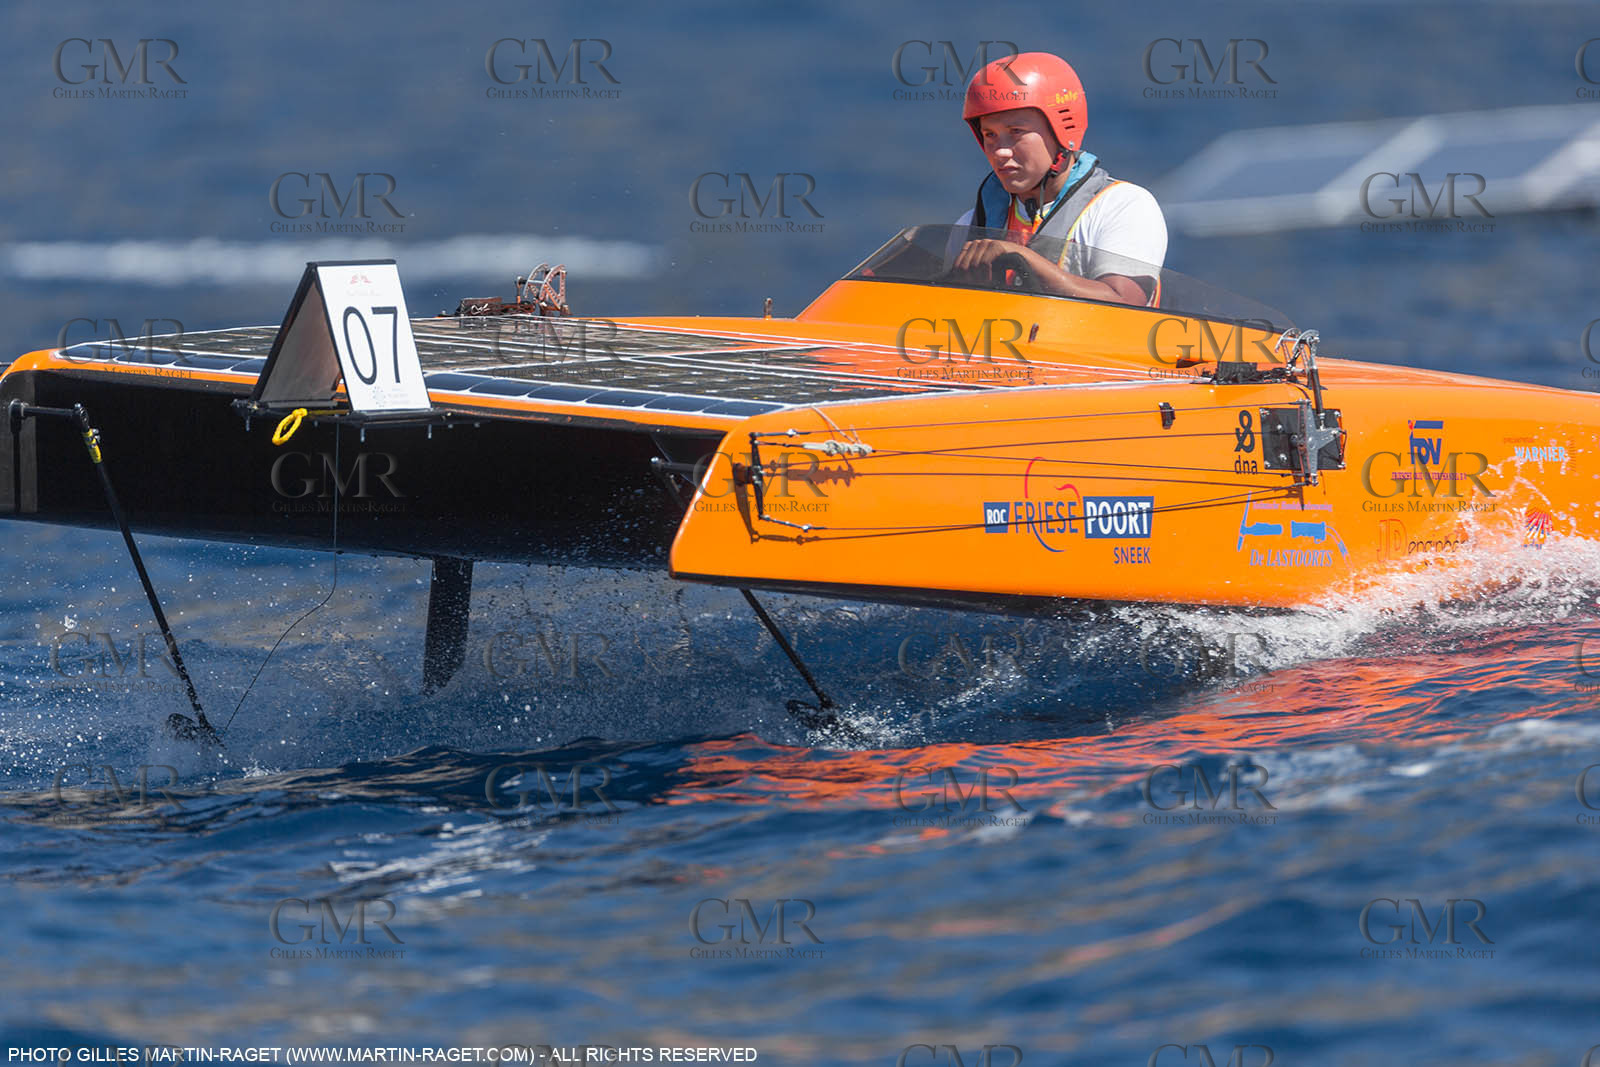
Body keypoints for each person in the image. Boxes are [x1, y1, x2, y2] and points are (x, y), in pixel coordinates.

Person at [953, 52, 1167, 306]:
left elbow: (1125, 303)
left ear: (1061, 130)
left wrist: (1023, 257)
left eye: (1016, 132)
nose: (1000, 150)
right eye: (990, 134)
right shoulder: (971, 224)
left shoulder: (1124, 207)